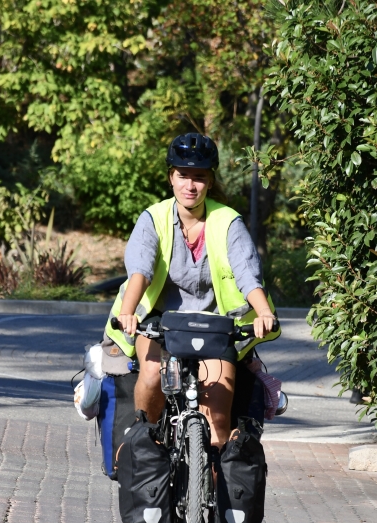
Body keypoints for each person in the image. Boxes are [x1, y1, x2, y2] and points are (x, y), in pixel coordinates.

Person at [105, 133, 281, 451]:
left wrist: (264, 312)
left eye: (199, 177)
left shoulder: (228, 222)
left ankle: (206, 492)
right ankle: (148, 443)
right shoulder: (153, 219)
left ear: (210, 181)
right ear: (171, 177)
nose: (190, 185)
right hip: (161, 323)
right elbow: (140, 272)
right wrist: (127, 313)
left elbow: (248, 276)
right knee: (152, 375)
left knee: (218, 425)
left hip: (213, 327)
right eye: (182, 175)